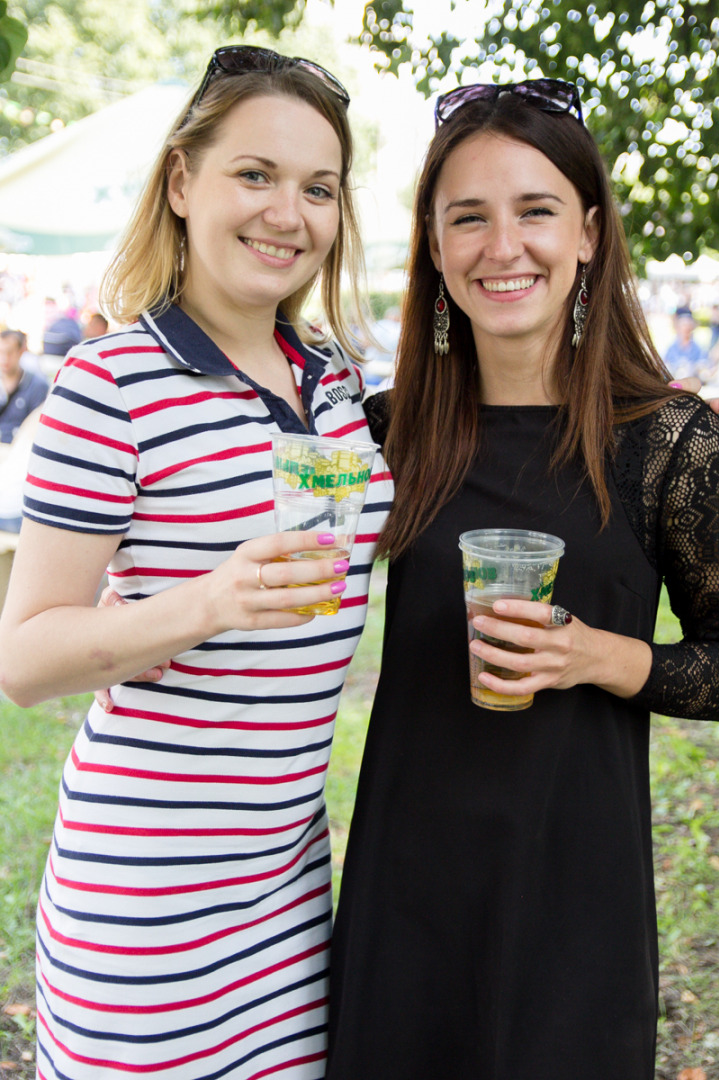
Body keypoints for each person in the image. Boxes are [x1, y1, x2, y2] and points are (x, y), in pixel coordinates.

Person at [0, 45, 392, 1080]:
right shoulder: (110, 382)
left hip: (290, 894)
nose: (287, 213)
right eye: (253, 175)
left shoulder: (337, 382)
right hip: (144, 910)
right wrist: (212, 599)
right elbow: (27, 658)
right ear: (183, 183)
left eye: (317, 188)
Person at [326, 78, 719, 1080]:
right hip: (404, 906)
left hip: (575, 911)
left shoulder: (667, 444)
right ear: (434, 242)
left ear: (587, 233)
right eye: (469, 218)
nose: (503, 247)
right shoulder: (380, 435)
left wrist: (603, 656)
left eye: (535, 211)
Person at [0, 329, 48, 443]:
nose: (4, 358)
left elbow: (37, 427)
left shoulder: (37, 386)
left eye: (10, 352)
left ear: (21, 351)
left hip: (20, 450)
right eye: (1, 352)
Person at [664, 305, 707, 381]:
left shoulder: (698, 348)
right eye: (684, 326)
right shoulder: (671, 348)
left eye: (689, 326)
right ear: (678, 328)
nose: (686, 329)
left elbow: (703, 368)